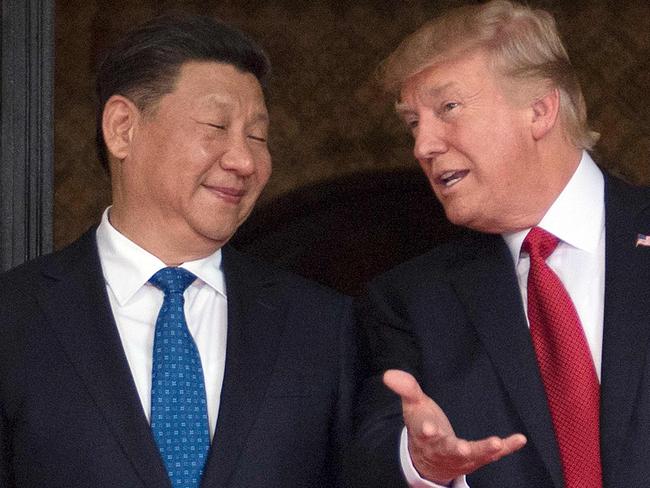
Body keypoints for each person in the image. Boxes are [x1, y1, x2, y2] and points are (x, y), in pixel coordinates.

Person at [0, 14, 355, 488]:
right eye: (216, 126)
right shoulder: (14, 318)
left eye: (257, 136)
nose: (244, 160)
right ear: (122, 128)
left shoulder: (320, 326)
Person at [349, 1, 650, 487]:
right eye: (413, 123)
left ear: (539, 109)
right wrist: (424, 464)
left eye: (448, 109)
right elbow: (365, 458)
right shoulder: (409, 301)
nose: (423, 145)